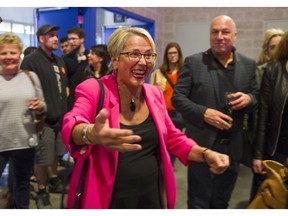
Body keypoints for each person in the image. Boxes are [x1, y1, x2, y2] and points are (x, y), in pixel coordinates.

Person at [61, 27, 230, 209]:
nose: (143, 62)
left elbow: (173, 137)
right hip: (108, 200)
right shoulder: (94, 89)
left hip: (151, 197)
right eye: (134, 54)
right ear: (115, 59)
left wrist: (205, 154)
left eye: (149, 55)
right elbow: (72, 122)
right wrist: (90, 134)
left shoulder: (154, 93)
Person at [172, 15, 258, 209]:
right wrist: (203, 113)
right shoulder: (194, 62)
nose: (219, 36)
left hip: (233, 147)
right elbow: (177, 98)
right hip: (202, 145)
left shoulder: (248, 64)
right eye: (214, 32)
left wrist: (250, 99)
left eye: (225, 32)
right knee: (198, 202)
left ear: (235, 36)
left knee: (222, 202)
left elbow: (256, 96)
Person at [20, 24, 68, 208]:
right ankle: (42, 189)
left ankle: (54, 178)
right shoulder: (31, 61)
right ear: (41, 39)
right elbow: (25, 90)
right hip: (43, 120)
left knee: (56, 153)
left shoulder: (59, 61)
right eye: (51, 36)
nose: (56, 39)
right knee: (42, 157)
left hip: (60, 117)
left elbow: (63, 88)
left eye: (56, 35)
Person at [0, 33, 46, 208]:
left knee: (22, 184)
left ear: (19, 54)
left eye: (13, 52)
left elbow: (43, 105)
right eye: (3, 53)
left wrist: (40, 106)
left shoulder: (30, 77)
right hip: (1, 142)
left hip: (26, 141)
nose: (9, 57)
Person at [252, 31, 288, 204]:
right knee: (268, 199)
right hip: (275, 151)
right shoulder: (274, 70)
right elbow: (262, 115)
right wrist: (258, 155)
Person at [149, 42, 185, 165]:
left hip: (179, 113)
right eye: (170, 53)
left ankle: (169, 165)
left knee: (174, 142)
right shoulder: (158, 73)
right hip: (162, 113)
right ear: (166, 55)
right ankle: (160, 164)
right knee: (160, 140)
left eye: (175, 52)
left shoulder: (185, 73)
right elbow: (151, 94)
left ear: (179, 54)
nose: (173, 55)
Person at [67, 44, 111, 110]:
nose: (88, 55)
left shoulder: (109, 75)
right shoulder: (82, 72)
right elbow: (73, 93)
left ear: (101, 58)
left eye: (92, 53)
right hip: (84, 109)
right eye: (89, 53)